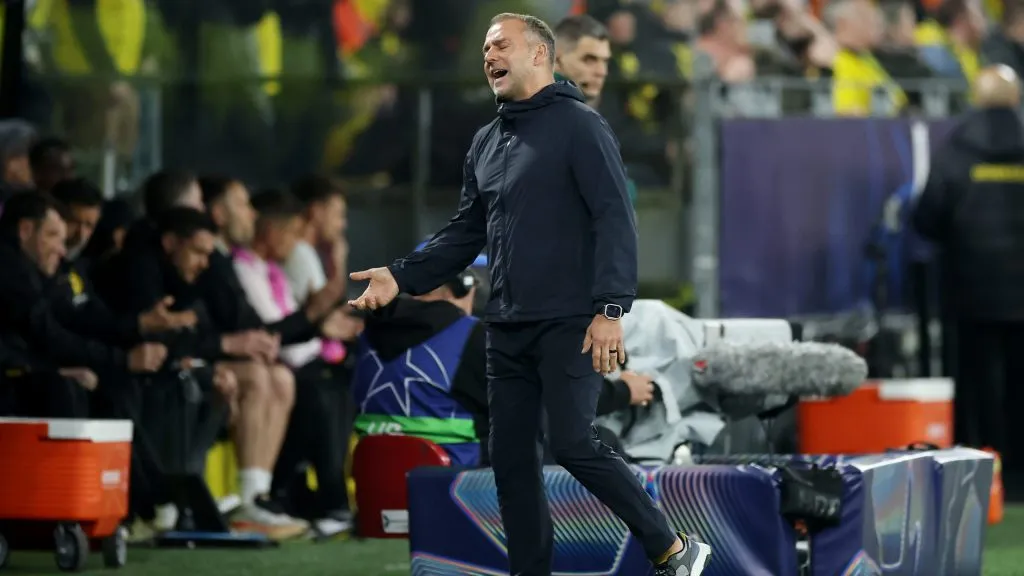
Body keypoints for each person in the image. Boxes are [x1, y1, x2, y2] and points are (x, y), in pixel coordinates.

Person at [346, 13, 711, 576]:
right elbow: (465, 233)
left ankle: (672, 546)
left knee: (572, 443)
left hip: (571, 320)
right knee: (512, 465)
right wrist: (401, 276)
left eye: (500, 45)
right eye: (485, 48)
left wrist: (610, 310)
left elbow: (615, 218)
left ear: (539, 54)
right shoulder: (487, 141)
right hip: (507, 325)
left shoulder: (581, 126)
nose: (488, 55)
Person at [913, 64, 1024, 473]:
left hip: (971, 289)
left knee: (976, 381)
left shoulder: (958, 148)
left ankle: (982, 461)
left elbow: (927, 217)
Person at [232, 189, 358, 537]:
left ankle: (321, 498)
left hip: (303, 360)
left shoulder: (269, 270)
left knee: (337, 389)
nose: (296, 242)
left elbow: (293, 321)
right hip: (286, 364)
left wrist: (319, 323)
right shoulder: (242, 269)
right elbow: (275, 330)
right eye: (290, 233)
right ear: (272, 230)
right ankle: (313, 498)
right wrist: (320, 318)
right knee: (320, 391)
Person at [0, 192, 167, 417]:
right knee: (66, 390)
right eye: (53, 236)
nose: (62, 249)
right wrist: (121, 360)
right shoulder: (9, 269)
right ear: (25, 230)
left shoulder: (43, 274)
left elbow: (76, 319)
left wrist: (136, 327)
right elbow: (45, 333)